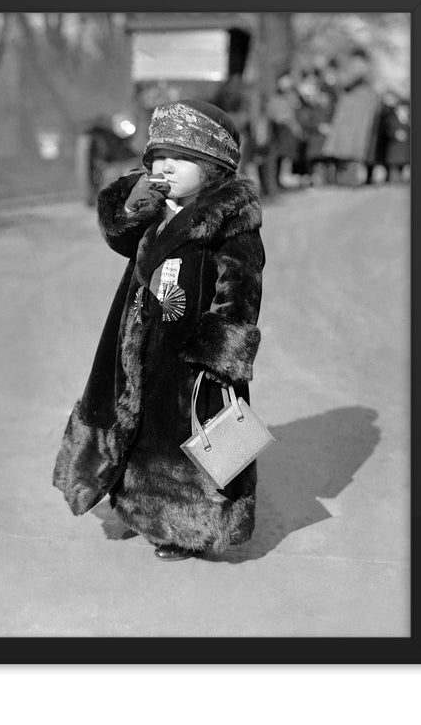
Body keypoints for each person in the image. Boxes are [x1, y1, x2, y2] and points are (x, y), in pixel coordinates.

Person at [53, 100, 266, 561]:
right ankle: (133, 504)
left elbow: (240, 294)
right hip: (134, 336)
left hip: (187, 354)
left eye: (180, 159)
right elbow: (123, 240)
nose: (164, 167)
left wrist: (217, 357)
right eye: (157, 158)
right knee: (134, 420)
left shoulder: (230, 223)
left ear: (212, 167)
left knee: (183, 431)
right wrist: (130, 206)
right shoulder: (159, 207)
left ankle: (184, 524)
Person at [322, 47, 382, 185]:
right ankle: (347, 179)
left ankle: (347, 180)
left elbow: (345, 81)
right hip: (356, 111)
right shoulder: (365, 70)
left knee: (348, 147)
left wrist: (335, 73)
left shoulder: (358, 67)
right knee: (349, 148)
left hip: (353, 112)